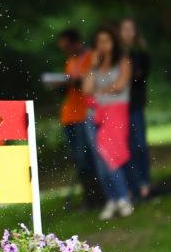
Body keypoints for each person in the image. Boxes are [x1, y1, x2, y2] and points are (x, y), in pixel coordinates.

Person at [83, 26, 134, 220]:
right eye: (99, 42)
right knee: (99, 160)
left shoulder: (123, 61)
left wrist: (100, 91)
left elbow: (121, 85)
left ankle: (122, 197)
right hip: (93, 115)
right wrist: (93, 66)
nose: (103, 45)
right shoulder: (94, 66)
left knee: (111, 155)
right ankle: (112, 199)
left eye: (106, 41)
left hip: (114, 114)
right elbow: (87, 89)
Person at [56, 29, 104, 210]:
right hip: (70, 115)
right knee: (79, 159)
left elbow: (91, 82)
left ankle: (98, 196)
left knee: (89, 157)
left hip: (86, 114)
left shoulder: (91, 57)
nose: (66, 51)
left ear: (76, 43)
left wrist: (76, 81)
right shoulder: (70, 61)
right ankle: (90, 197)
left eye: (67, 46)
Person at [120, 17, 152, 199]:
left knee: (139, 144)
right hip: (120, 107)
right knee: (128, 147)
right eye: (125, 29)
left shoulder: (140, 53)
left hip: (135, 104)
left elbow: (138, 77)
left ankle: (144, 181)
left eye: (130, 29)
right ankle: (133, 184)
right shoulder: (117, 54)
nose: (127, 33)